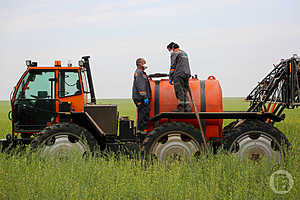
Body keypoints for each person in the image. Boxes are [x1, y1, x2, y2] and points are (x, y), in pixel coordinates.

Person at [167, 42, 192, 112]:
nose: (170, 52)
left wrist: (170, 77)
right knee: (185, 90)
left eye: (169, 50)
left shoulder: (174, 53)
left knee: (179, 90)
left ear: (172, 48)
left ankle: (181, 108)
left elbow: (172, 66)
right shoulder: (184, 53)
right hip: (187, 73)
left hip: (178, 74)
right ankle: (188, 107)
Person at [132, 58, 152, 134]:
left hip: (142, 99)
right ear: (140, 64)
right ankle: (142, 135)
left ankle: (141, 133)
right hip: (141, 99)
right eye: (144, 62)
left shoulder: (142, 73)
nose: (145, 64)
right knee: (143, 117)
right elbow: (140, 86)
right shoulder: (139, 73)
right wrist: (145, 97)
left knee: (143, 116)